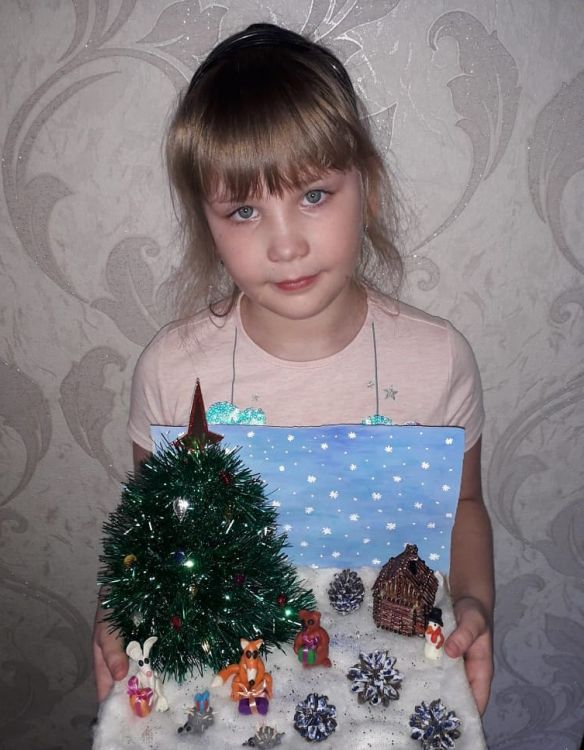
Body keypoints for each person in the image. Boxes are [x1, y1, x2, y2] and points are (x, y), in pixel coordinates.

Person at [93, 22, 494, 715]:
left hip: (393, 681)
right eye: (244, 209)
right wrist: (118, 615)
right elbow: (151, 533)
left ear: (366, 187)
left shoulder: (439, 360)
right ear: (207, 221)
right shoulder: (171, 372)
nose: (285, 246)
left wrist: (476, 604)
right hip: (227, 684)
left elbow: (462, 505)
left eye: (313, 195)